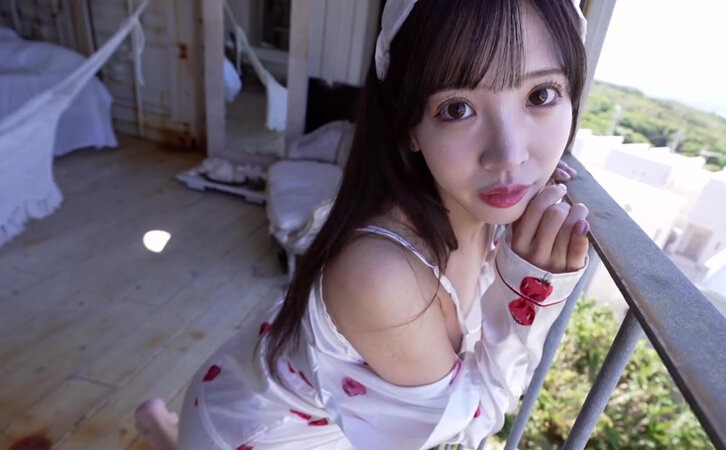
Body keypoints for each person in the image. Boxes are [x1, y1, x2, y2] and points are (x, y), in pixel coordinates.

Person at [135, 0, 589, 448]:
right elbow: (463, 424)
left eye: (541, 95)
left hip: (240, 382)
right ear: (409, 127)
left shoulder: (468, 206)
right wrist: (531, 295)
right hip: (251, 434)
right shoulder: (384, 275)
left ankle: (162, 426)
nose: (510, 155)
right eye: (456, 109)